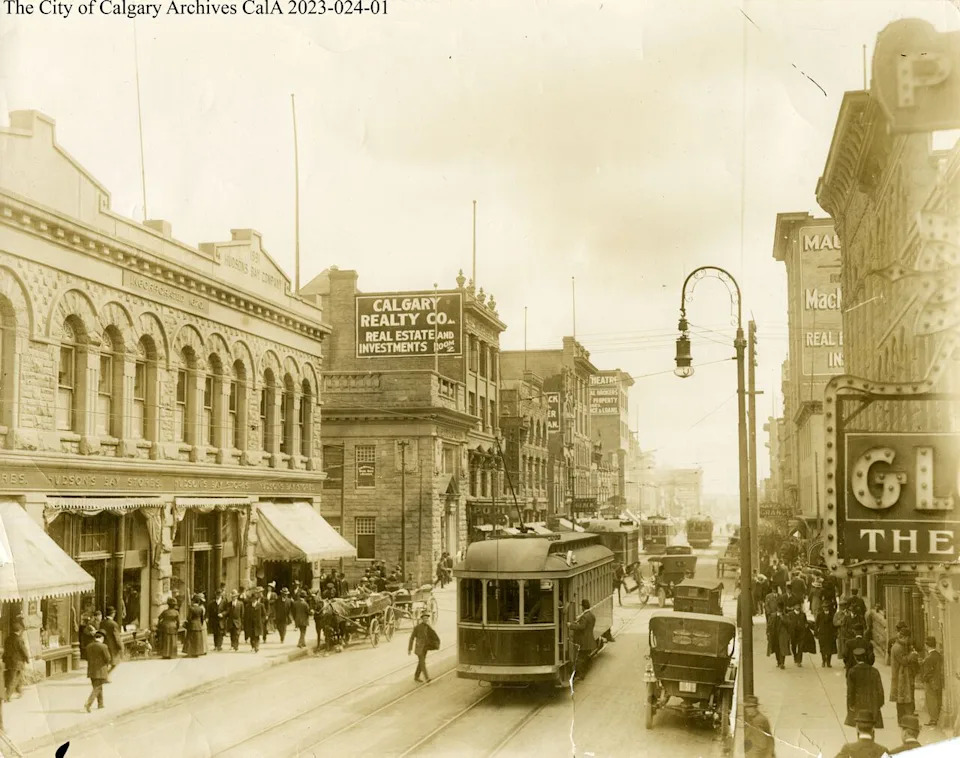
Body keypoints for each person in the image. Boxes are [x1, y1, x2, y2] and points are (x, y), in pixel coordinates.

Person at [844, 649, 885, 729]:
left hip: (858, 702)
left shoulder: (852, 671)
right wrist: (880, 703)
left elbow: (850, 691)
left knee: (860, 725)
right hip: (872, 702)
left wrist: (850, 704)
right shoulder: (874, 671)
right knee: (871, 725)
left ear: (855, 658)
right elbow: (880, 689)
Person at [890, 628, 919, 720]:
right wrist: (912, 655)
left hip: (903, 676)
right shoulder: (898, 647)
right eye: (908, 638)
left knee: (902, 699)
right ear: (905, 637)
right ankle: (904, 720)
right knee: (902, 699)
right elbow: (904, 661)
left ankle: (904, 719)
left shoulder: (900, 645)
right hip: (901, 677)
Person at [568, 599, 597, 681]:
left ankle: (581, 675)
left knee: (579, 659)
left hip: (584, 642)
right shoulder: (591, 615)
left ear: (583, 607)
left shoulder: (584, 616)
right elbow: (587, 626)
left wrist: (571, 625)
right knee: (584, 657)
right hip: (590, 641)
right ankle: (583, 673)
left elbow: (582, 627)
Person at [84, 630, 112, 713]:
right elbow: (108, 658)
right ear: (101, 638)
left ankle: (100, 704)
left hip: (91, 670)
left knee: (97, 686)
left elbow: (86, 657)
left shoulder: (89, 646)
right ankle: (88, 704)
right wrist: (107, 664)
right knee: (97, 688)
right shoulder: (103, 646)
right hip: (101, 670)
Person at [2, 618, 29, 701]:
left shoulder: (7, 639)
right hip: (17, 662)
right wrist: (27, 659)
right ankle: (7, 696)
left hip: (8, 661)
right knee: (13, 679)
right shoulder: (19, 639)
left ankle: (19, 691)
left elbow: (5, 649)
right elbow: (23, 650)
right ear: (19, 630)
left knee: (16, 677)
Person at [408, 609, 439, 683]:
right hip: (419, 648)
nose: (426, 619)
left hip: (425, 648)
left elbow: (433, 636)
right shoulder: (417, 627)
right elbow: (412, 638)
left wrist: (435, 644)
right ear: (422, 619)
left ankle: (416, 677)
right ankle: (427, 678)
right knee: (422, 662)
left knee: (421, 663)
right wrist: (410, 649)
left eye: (427, 618)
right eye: (424, 618)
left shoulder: (428, 627)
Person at [920, 635, 943, 726]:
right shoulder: (938, 655)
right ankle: (936, 718)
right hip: (938, 680)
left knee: (931, 700)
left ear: (927, 645)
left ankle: (933, 719)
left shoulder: (929, 658)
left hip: (930, 682)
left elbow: (927, 672)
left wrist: (924, 679)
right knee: (937, 699)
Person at [99, 607, 124, 674]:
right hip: (112, 646)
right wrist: (120, 646)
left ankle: (105, 675)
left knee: (106, 662)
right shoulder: (114, 624)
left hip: (103, 644)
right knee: (114, 663)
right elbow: (117, 637)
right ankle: (107, 675)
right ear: (112, 614)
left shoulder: (102, 623)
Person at [208, 586, 228, 652]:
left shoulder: (224, 602)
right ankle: (216, 645)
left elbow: (227, 610)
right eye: (217, 594)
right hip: (214, 620)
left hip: (221, 620)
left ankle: (219, 646)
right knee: (215, 633)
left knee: (220, 633)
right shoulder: (212, 603)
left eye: (219, 594)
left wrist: (222, 614)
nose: (218, 596)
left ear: (221, 594)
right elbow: (210, 612)